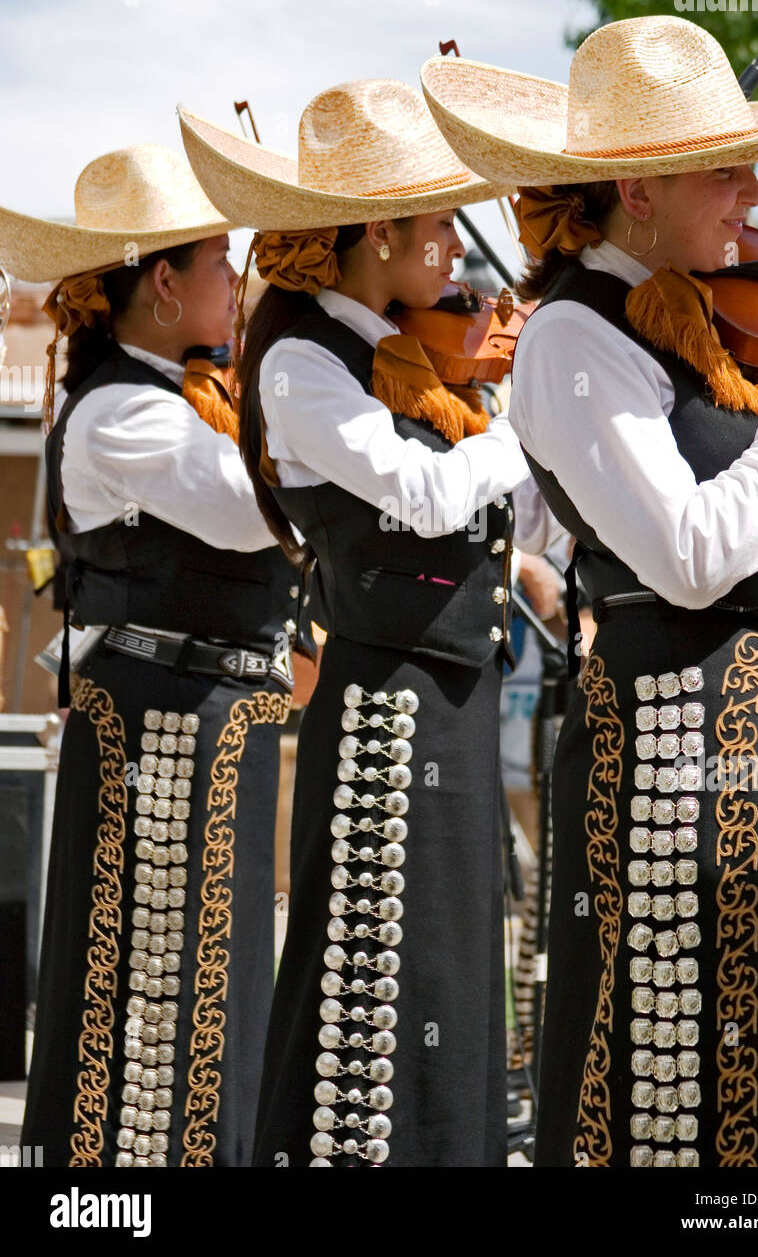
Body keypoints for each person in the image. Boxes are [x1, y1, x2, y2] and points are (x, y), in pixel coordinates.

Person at [421, 14, 758, 1167]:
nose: (750, 191)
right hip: (678, 751)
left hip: (746, 742)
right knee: (681, 1100)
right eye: (720, 169)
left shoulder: (691, 326)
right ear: (634, 187)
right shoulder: (572, 334)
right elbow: (686, 549)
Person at [179, 81, 560, 1166]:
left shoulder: (396, 354)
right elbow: (424, 495)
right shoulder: (301, 359)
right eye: (438, 221)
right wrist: (522, 411)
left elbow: (492, 509)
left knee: (442, 964)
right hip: (385, 708)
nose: (456, 249)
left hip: (446, 696)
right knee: (375, 983)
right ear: (379, 231)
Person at [0, 146, 309, 1167]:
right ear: (164, 282)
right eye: (220, 261)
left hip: (207, 717)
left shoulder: (178, 393)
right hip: (150, 715)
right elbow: (256, 509)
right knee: (142, 990)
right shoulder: (122, 411)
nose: (238, 279)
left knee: (204, 982)